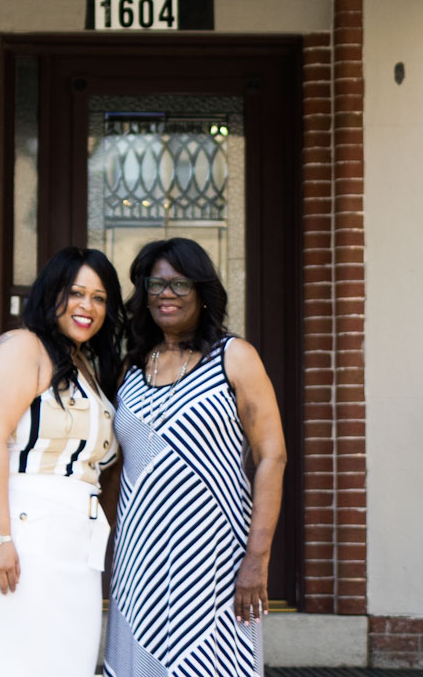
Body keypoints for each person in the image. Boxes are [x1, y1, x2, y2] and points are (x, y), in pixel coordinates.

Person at [106, 237, 286, 677]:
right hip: (139, 557)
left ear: (203, 292)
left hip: (215, 560)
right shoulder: (132, 366)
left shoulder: (234, 357)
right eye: (156, 284)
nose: (166, 294)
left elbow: (272, 457)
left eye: (180, 284)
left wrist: (256, 558)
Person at [0, 246, 124, 677]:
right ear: (51, 294)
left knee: (71, 666)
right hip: (19, 528)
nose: (88, 306)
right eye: (76, 292)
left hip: (73, 540)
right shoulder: (22, 346)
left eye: (99, 298)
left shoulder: (83, 366)